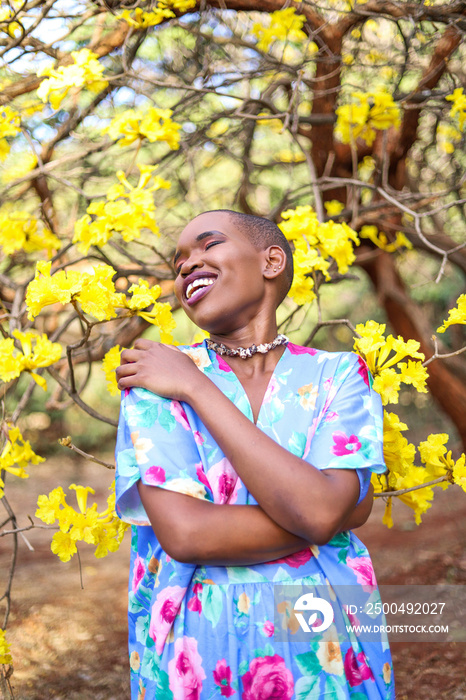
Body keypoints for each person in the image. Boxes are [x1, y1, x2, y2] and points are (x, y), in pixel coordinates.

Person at [115, 210, 395, 700]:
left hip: (330, 636)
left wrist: (197, 390)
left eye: (208, 245)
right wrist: (321, 517)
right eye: (178, 261)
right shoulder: (156, 378)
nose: (186, 266)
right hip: (200, 648)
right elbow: (187, 533)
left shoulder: (341, 375)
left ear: (270, 261)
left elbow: (327, 510)